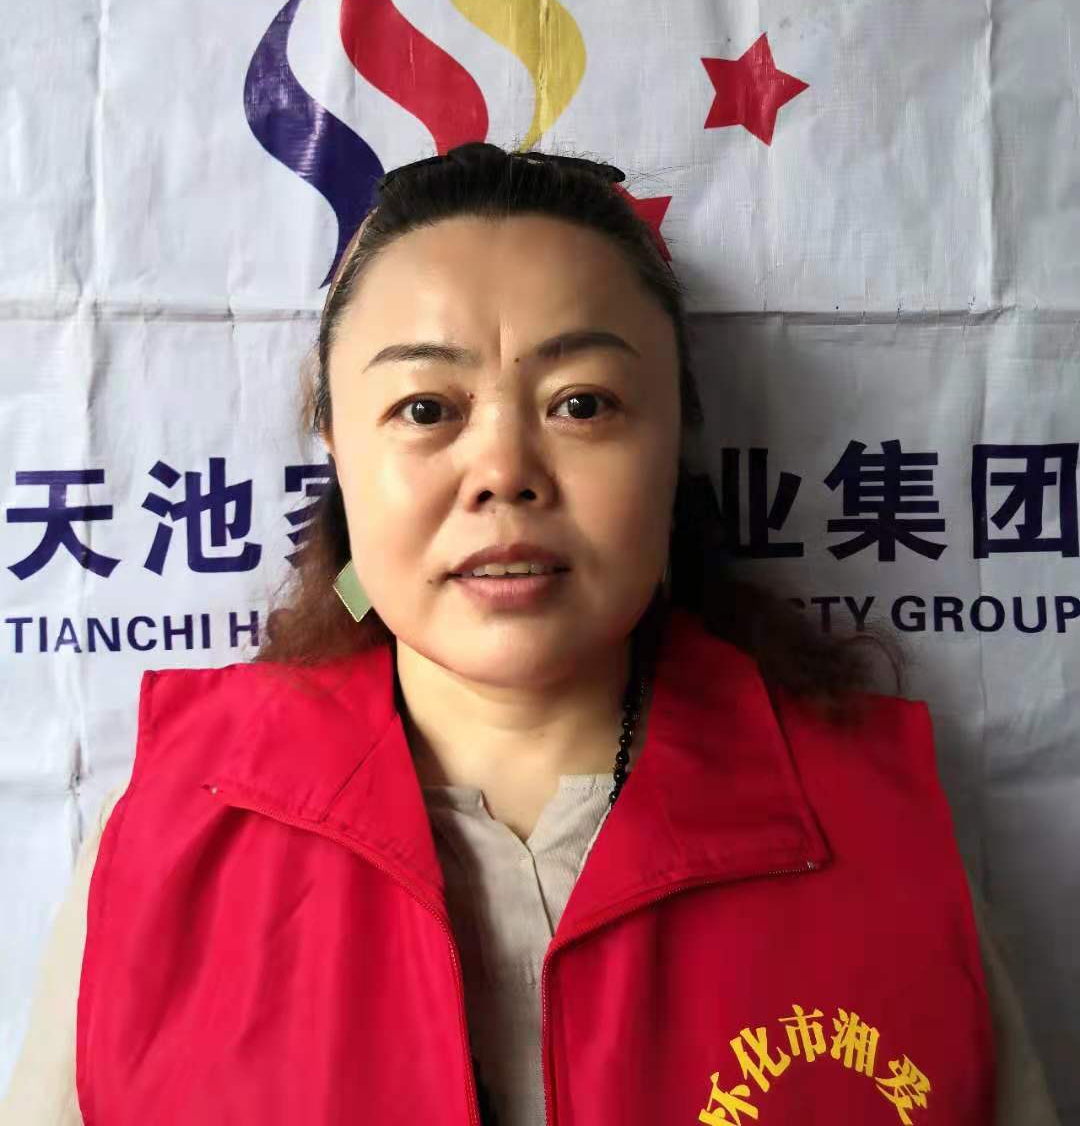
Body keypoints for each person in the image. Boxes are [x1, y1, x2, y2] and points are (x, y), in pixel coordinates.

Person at [0, 143, 1060, 1125]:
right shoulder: (165, 840)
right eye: (427, 409)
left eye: (582, 404)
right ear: (334, 443)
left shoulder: (876, 829)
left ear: (675, 442)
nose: (504, 471)